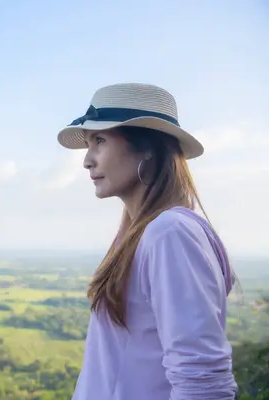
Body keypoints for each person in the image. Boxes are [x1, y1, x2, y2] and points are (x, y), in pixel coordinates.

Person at [57, 83, 238, 399]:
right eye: (88, 143)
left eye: (100, 140)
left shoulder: (170, 233)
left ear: (149, 147)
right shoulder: (142, 235)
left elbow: (202, 381)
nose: (87, 160)